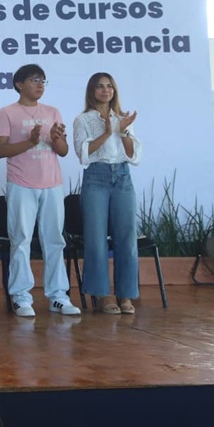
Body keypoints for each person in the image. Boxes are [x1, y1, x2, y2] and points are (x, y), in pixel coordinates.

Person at [0, 64, 81, 317]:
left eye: (43, 80)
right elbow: (0, 150)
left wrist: (56, 138)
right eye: (34, 80)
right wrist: (30, 142)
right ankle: (21, 297)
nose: (40, 84)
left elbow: (63, 151)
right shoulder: (7, 113)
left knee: (54, 240)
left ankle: (58, 296)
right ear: (19, 84)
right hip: (21, 183)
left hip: (52, 184)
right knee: (20, 239)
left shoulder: (52, 111)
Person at [72, 73, 140, 314]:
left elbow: (133, 156)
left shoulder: (122, 118)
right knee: (96, 238)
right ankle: (102, 295)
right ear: (92, 91)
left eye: (109, 86)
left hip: (122, 176)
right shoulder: (82, 119)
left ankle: (126, 295)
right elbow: (83, 154)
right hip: (96, 177)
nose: (105, 90)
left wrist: (123, 131)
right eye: (100, 87)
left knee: (126, 237)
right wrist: (107, 133)